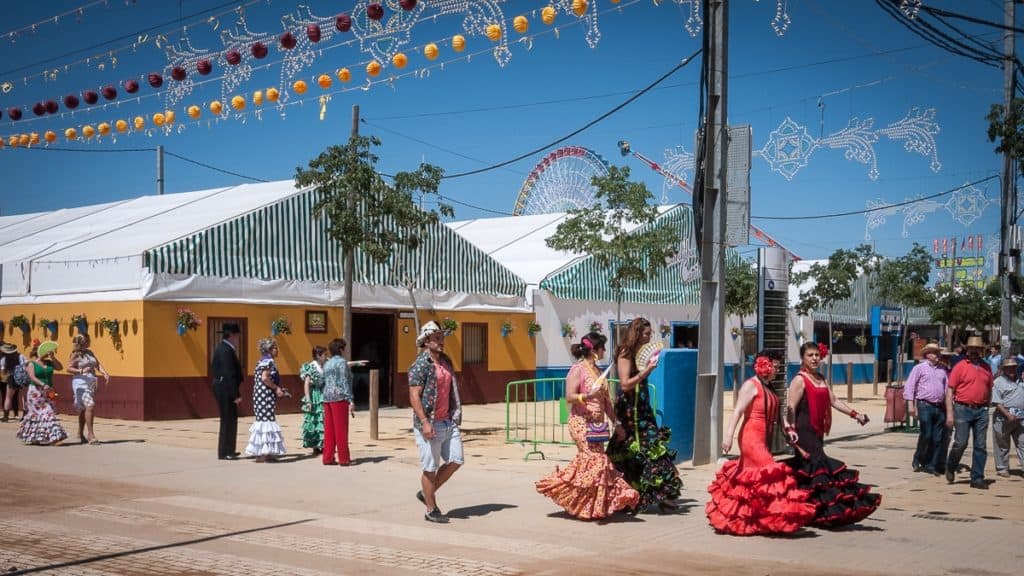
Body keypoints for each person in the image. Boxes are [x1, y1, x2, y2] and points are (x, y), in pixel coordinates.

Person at [706, 350, 816, 535]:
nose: (777, 370)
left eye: (778, 367)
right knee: (770, 473)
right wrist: (728, 436)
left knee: (752, 480)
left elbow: (779, 413)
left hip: (763, 437)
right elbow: (738, 410)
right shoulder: (751, 385)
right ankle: (775, 518)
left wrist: (789, 428)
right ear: (765, 365)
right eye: (775, 366)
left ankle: (753, 519)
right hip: (750, 438)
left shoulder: (769, 386)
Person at [536, 332, 639, 520]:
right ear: (594, 349)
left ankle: (585, 505)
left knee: (591, 465)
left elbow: (606, 402)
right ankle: (563, 489)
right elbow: (569, 396)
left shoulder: (600, 373)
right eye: (603, 347)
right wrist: (587, 396)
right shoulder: (578, 370)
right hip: (581, 422)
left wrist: (617, 423)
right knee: (597, 461)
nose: (605, 350)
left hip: (597, 425)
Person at [785, 341, 880, 528]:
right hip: (804, 432)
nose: (814, 358)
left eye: (816, 355)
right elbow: (790, 406)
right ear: (803, 358)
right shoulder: (799, 379)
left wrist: (856, 414)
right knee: (819, 467)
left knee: (809, 472)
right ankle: (825, 511)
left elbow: (833, 400)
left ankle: (806, 510)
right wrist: (790, 429)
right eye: (809, 355)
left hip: (817, 431)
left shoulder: (820, 378)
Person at [605, 317, 683, 513]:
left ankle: (662, 495)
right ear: (637, 333)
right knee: (626, 449)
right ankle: (623, 494)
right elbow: (625, 384)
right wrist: (646, 371)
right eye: (646, 334)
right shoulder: (625, 352)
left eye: (650, 334)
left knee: (654, 447)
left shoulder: (643, 353)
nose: (649, 337)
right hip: (630, 410)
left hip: (643, 408)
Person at [408, 321, 465, 524]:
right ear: (426, 341)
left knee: (456, 460)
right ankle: (431, 509)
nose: (442, 342)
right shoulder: (420, 365)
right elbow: (414, 395)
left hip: (448, 421)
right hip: (430, 422)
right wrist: (424, 421)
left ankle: (426, 493)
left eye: (442, 337)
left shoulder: (446, 361)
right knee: (430, 467)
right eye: (437, 338)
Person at [945, 336, 994, 489]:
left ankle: (977, 478)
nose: (974, 351)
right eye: (972, 349)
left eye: (977, 349)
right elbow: (950, 391)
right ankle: (951, 465)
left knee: (980, 446)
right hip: (962, 408)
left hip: (981, 411)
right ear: (968, 350)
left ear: (981, 351)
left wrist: (987, 406)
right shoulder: (960, 366)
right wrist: (950, 414)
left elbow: (989, 388)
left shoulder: (987, 367)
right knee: (961, 442)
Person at [903, 341, 948, 475]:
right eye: (935, 353)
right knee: (926, 434)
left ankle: (930, 464)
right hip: (924, 405)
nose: (938, 355)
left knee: (937, 438)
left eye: (938, 353)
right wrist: (911, 405)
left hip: (939, 407)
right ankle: (918, 458)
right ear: (928, 355)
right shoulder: (919, 368)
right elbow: (910, 386)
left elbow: (946, 389)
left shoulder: (942, 370)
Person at [244, 337, 288, 462]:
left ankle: (265, 452)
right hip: (265, 396)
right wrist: (276, 388)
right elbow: (265, 378)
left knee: (264, 421)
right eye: (275, 348)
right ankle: (263, 454)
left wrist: (277, 388)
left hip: (261, 395)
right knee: (266, 422)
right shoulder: (268, 361)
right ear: (269, 350)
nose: (277, 350)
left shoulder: (263, 361)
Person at [16, 341, 67, 446]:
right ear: (39, 352)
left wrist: (53, 358)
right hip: (35, 392)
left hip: (48, 392)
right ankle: (49, 438)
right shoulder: (31, 363)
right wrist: (43, 384)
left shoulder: (49, 362)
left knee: (49, 412)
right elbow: (32, 377)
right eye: (46, 352)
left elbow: (60, 367)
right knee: (37, 414)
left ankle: (51, 438)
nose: (48, 353)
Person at [67, 334, 109, 445]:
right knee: (90, 405)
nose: (90, 341)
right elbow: (68, 368)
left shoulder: (90, 352)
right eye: (88, 340)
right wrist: (81, 371)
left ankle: (80, 433)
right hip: (80, 383)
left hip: (91, 382)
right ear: (83, 342)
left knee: (84, 408)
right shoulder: (75, 354)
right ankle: (91, 435)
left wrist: (104, 373)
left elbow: (97, 364)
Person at [210, 323, 243, 460]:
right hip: (225, 388)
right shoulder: (225, 350)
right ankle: (224, 451)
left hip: (225, 386)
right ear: (231, 335)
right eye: (236, 336)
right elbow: (228, 373)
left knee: (231, 419)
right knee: (227, 419)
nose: (238, 338)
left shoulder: (227, 349)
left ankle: (230, 449)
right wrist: (235, 394)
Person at [321, 339, 355, 466]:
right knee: (341, 429)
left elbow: (321, 380)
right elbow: (344, 382)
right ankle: (344, 458)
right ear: (341, 349)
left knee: (329, 429)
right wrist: (350, 399)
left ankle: (327, 457)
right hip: (339, 397)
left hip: (327, 397)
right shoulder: (342, 363)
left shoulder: (327, 363)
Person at [990, 357, 1024, 477]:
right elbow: (996, 402)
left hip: (1021, 418)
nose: (1011, 369)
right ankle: (1002, 467)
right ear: (1004, 369)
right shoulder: (998, 382)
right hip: (1003, 417)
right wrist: (1007, 414)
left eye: (1013, 367)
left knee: (1022, 443)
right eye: (1008, 368)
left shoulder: (1021, 380)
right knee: (1002, 444)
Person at [301, 345, 328, 455]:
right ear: (318, 355)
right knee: (314, 419)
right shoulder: (311, 366)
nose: (327, 356)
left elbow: (341, 364)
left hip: (324, 393)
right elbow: (306, 384)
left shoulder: (326, 364)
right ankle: (315, 446)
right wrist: (308, 400)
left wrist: (355, 363)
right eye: (325, 354)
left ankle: (324, 444)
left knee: (324, 419)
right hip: (314, 394)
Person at [0, 342, 25, 422]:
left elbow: (3, 371)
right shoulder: (20, 356)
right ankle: (25, 415)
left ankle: (6, 417)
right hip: (22, 377)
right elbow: (26, 365)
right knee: (24, 397)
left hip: (12, 378)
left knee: (8, 397)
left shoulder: (4, 359)